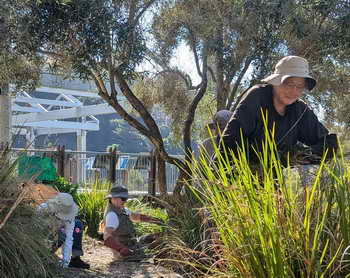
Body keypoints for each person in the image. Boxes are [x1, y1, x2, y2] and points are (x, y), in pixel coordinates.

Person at [220, 55, 338, 168]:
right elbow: (230, 141)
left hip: (279, 179)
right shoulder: (257, 97)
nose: (294, 91)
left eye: (300, 86)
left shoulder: (300, 110)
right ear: (275, 81)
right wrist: (216, 181)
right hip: (243, 173)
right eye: (289, 84)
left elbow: (330, 143)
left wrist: (298, 155)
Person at [102, 185, 164, 261]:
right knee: (158, 245)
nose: (125, 201)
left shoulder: (121, 209)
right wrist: (122, 249)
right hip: (126, 251)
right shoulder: (112, 215)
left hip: (132, 243)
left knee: (155, 236)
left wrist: (155, 220)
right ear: (114, 198)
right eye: (123, 198)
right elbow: (106, 236)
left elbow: (135, 217)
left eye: (126, 198)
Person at [37, 192, 90, 269]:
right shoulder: (43, 209)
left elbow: (68, 239)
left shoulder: (69, 218)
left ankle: (74, 259)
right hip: (39, 237)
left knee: (76, 226)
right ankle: (40, 256)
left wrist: (65, 262)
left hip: (53, 238)